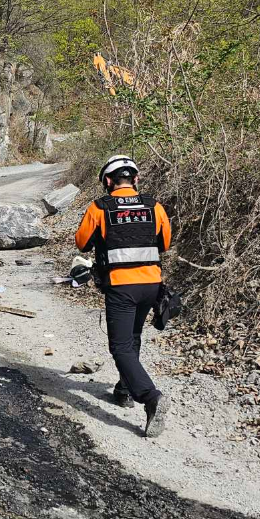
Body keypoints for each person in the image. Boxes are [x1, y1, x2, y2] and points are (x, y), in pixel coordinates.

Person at [74, 155, 173, 437]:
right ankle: (124, 390)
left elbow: (82, 243)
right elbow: (165, 243)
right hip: (151, 285)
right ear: (136, 179)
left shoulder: (100, 207)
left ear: (108, 181)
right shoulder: (155, 206)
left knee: (120, 347)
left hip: (121, 286)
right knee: (133, 337)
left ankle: (150, 397)